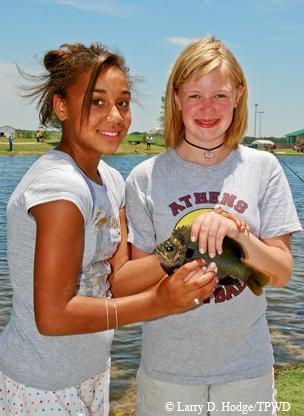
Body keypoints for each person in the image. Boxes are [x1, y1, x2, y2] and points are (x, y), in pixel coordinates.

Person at [0, 42, 219, 416]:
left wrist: (187, 244)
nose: (115, 116)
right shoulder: (60, 189)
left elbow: (117, 279)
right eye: (97, 101)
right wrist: (159, 303)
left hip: (91, 370)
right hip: (41, 382)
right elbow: (52, 316)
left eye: (123, 102)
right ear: (61, 107)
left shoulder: (110, 181)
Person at [125, 36, 302, 416]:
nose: (208, 109)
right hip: (167, 369)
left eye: (220, 95)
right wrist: (179, 256)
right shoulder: (144, 177)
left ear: (239, 96)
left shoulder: (263, 168)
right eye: (194, 96)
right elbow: (126, 282)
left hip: (246, 368)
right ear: (175, 98)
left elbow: (283, 272)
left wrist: (239, 235)